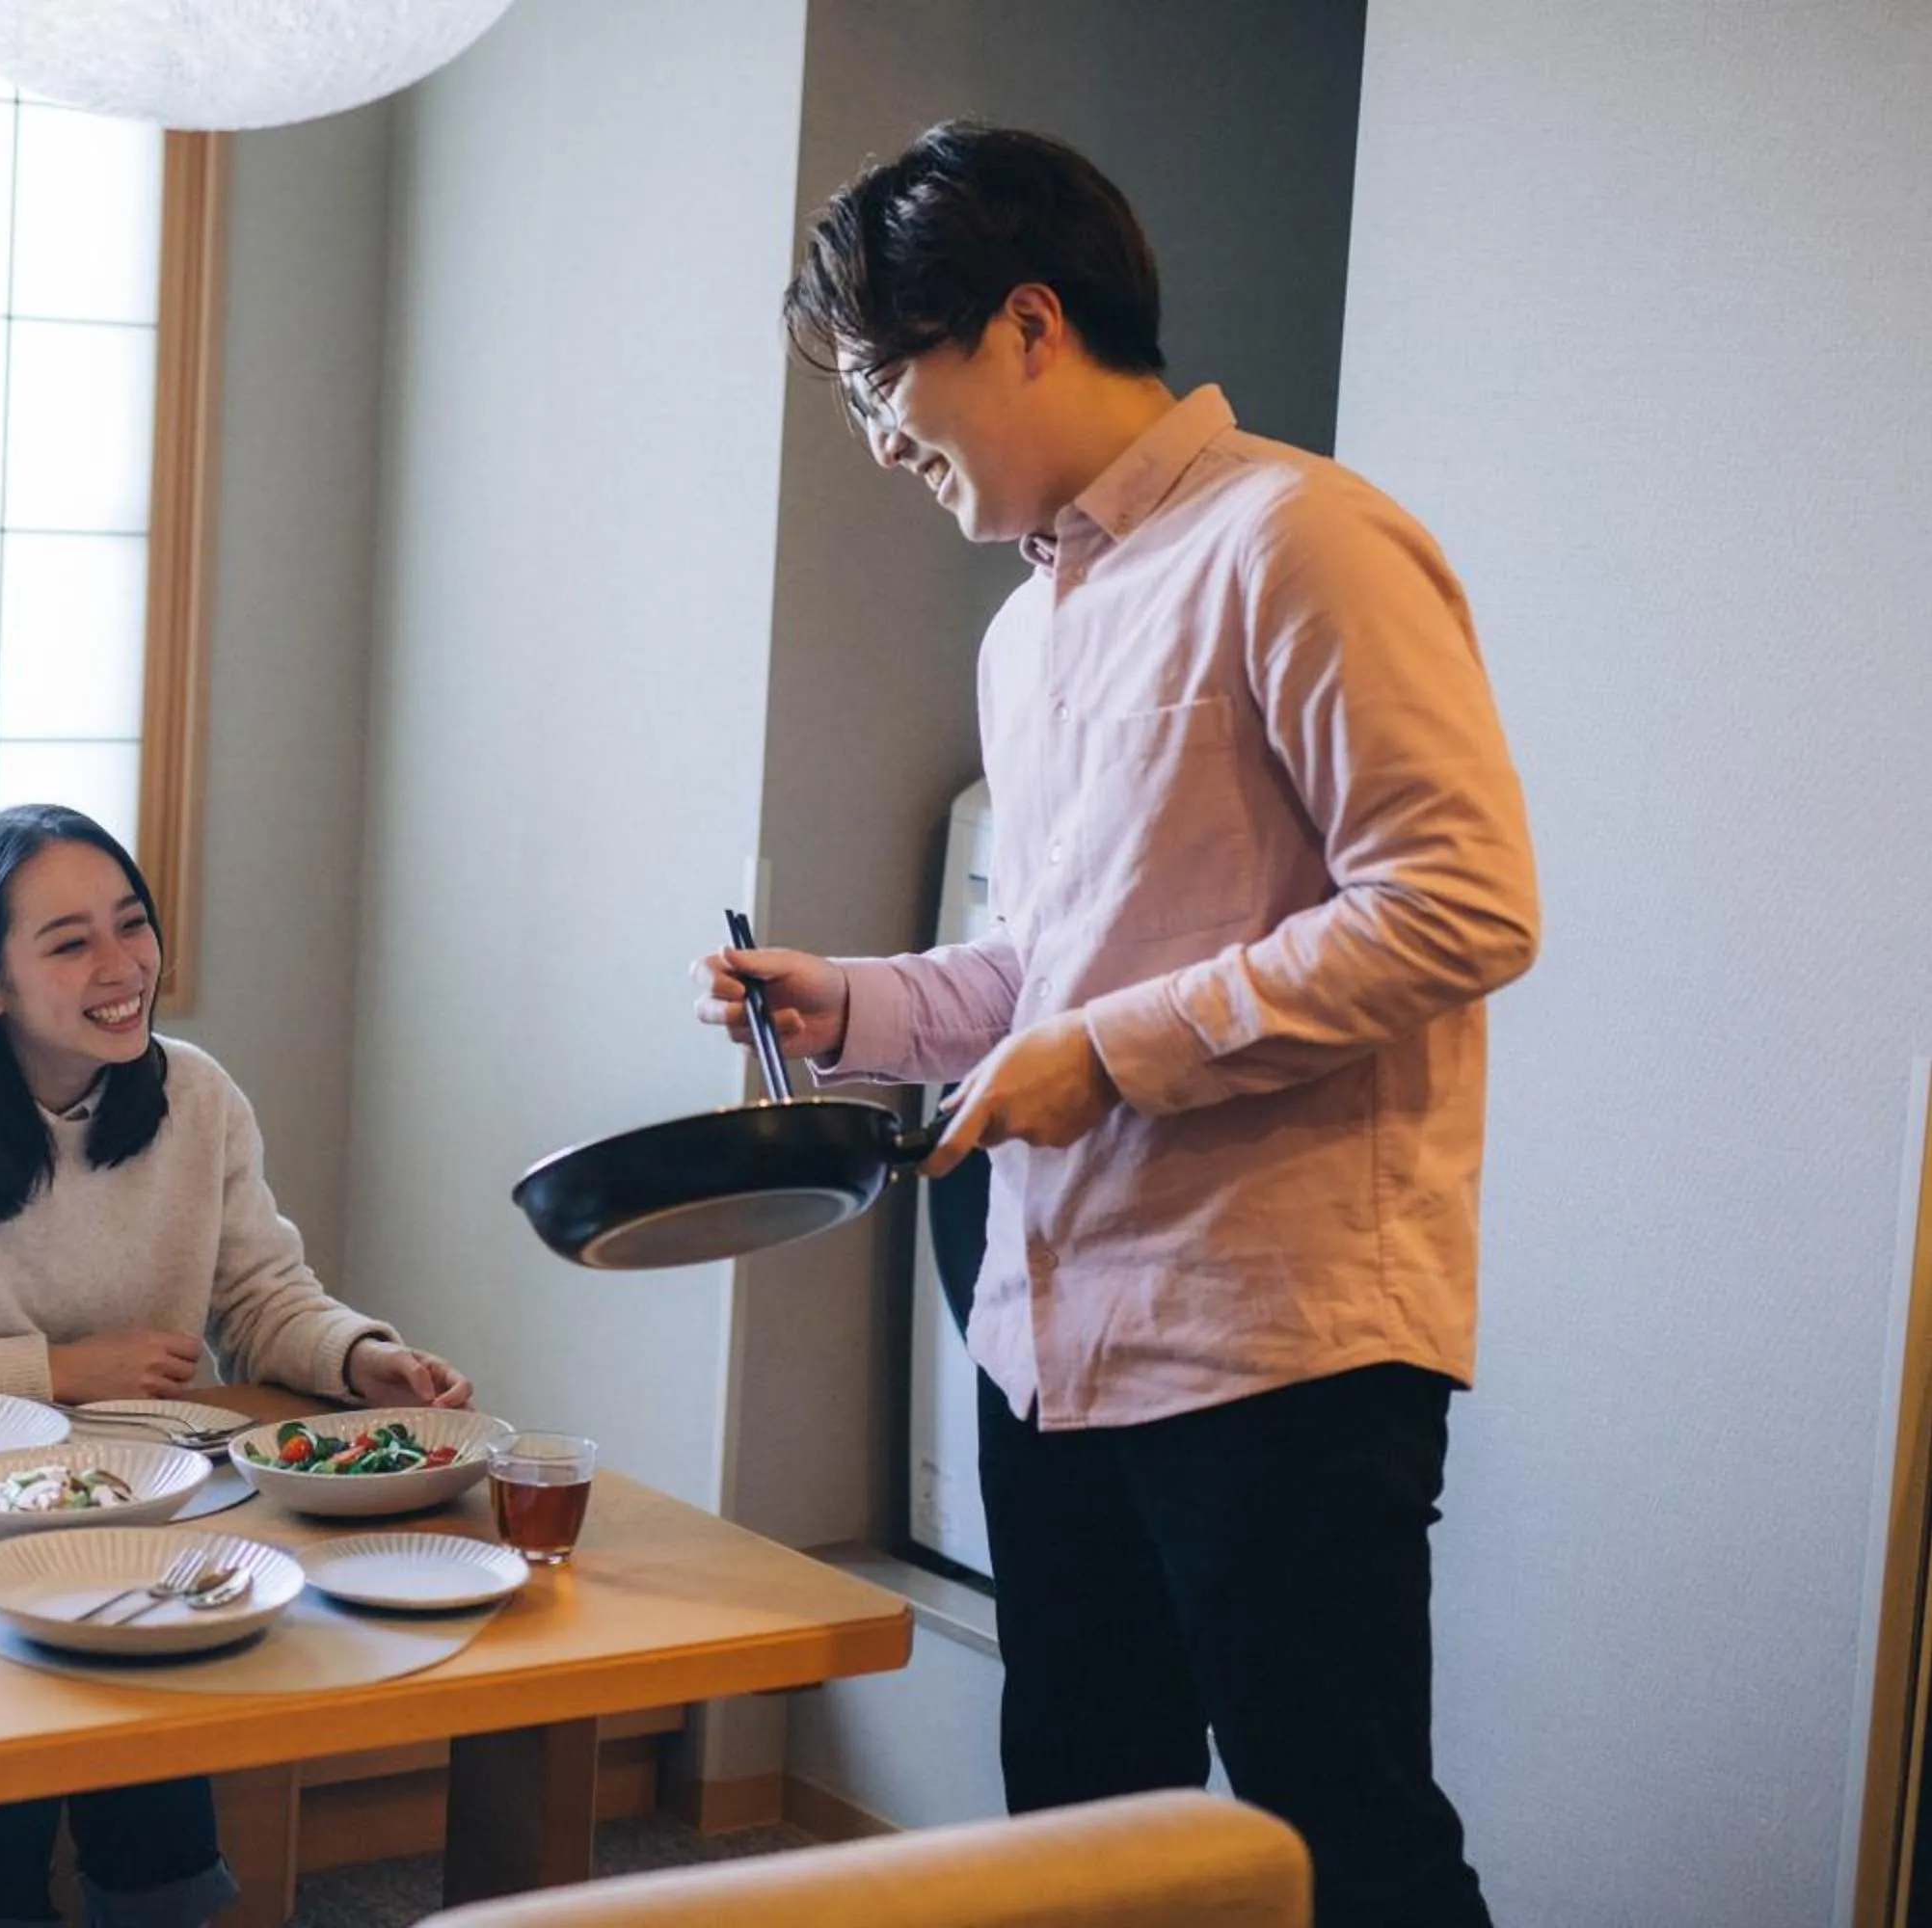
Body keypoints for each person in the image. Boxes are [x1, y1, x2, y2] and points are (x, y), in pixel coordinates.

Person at [699, 123, 1538, 1928]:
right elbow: (1045, 979)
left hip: (1279, 1347)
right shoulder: (1029, 633)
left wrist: (1109, 1054)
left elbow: (1459, 907)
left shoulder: (1302, 537)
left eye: (881, 377)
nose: (876, 437)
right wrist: (843, 1004)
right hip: (1046, 1338)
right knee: (1076, 1852)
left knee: (1349, 1842)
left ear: (1024, 322)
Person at [0, 801, 472, 1928]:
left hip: (148, 1504)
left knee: (154, 1745)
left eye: (133, 923)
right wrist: (58, 1367)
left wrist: (358, 1356)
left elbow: (260, 1293)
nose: (124, 964)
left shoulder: (197, 1096)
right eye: (70, 941)